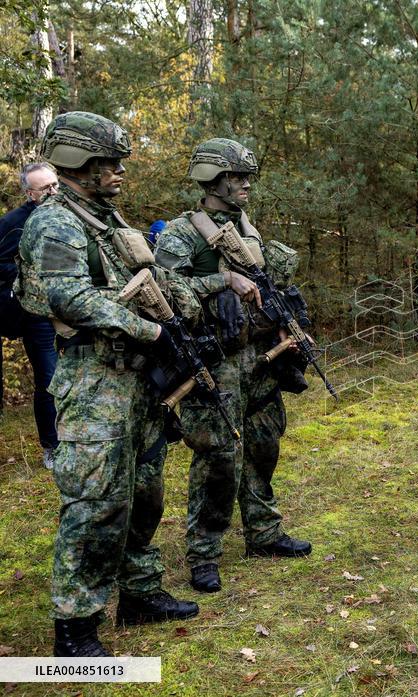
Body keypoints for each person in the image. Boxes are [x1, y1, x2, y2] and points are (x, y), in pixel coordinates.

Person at [17, 112, 256, 656]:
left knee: (145, 491)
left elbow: (152, 279)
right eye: (110, 162)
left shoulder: (102, 217)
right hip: (96, 380)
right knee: (96, 502)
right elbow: (70, 298)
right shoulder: (56, 223)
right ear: (80, 161)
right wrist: (152, 329)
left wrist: (216, 282)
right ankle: (75, 627)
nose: (120, 170)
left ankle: (140, 592)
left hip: (137, 382)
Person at [154, 137, 312, 595]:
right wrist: (219, 282)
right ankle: (204, 552)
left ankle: (263, 531)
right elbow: (162, 291)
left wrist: (288, 327)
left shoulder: (248, 228)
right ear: (213, 180)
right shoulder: (183, 233)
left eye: (246, 177)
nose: (245, 185)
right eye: (237, 177)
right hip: (214, 360)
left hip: (259, 356)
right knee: (218, 455)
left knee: (264, 443)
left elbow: (270, 287)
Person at [0, 163, 59, 467]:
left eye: (55, 185)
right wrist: (32, 277)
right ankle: (52, 446)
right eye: (45, 188)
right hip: (37, 315)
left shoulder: (71, 214)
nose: (53, 192)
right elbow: (2, 265)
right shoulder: (14, 222)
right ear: (29, 193)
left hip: (75, 309)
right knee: (49, 379)